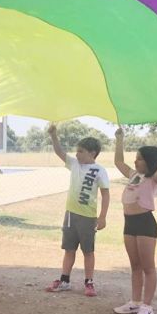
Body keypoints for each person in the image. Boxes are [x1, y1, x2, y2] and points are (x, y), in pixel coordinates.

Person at [112, 126, 157, 314]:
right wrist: (119, 139)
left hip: (145, 224)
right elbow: (118, 162)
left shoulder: (153, 178)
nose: (136, 161)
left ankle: (147, 306)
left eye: (140, 158)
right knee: (135, 266)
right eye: (136, 158)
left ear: (149, 162)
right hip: (129, 223)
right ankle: (134, 302)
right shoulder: (134, 174)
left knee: (148, 267)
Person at [45, 124, 110, 296]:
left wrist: (102, 217)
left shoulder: (100, 171)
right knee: (69, 249)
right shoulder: (74, 164)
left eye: (81, 151)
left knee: (88, 251)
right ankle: (64, 280)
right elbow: (59, 152)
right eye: (77, 151)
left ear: (92, 153)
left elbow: (106, 194)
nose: (77, 154)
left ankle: (89, 282)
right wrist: (53, 135)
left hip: (88, 217)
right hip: (70, 215)